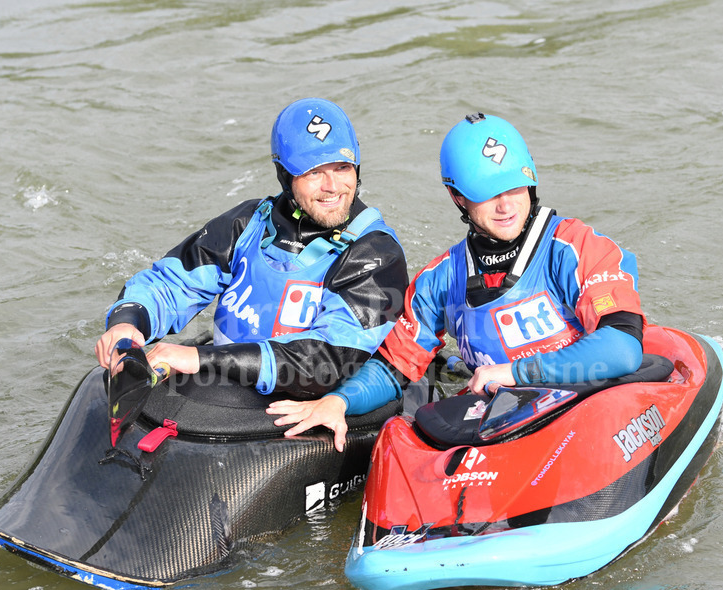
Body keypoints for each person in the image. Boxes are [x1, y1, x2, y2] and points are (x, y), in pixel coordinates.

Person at [268, 112, 646, 447]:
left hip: (592, 405)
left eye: (514, 187)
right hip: (508, 420)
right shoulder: (440, 280)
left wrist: (516, 373)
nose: (506, 206)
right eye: (487, 194)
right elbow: (393, 368)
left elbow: (622, 349)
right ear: (457, 197)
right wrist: (340, 401)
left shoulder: (578, 247)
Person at [95, 98, 408, 398]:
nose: (333, 186)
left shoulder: (376, 254)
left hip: (310, 401)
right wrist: (127, 324)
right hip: (226, 388)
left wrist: (201, 359)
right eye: (314, 172)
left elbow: (325, 362)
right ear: (285, 175)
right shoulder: (248, 224)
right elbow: (169, 284)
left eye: (342, 167)